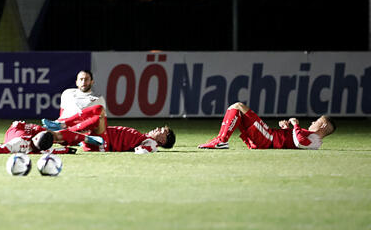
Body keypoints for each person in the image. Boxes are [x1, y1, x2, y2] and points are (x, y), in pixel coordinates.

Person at [198, 102, 335, 150]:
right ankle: (221, 140)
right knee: (237, 109)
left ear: (323, 125)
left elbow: (300, 142)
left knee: (238, 106)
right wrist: (286, 128)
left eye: (317, 121)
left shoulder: (316, 141)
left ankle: (221, 140)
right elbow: (291, 142)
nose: (312, 122)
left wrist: (295, 125)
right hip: (269, 137)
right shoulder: (313, 138)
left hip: (268, 138)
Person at [43, 104, 174, 153]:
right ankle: (56, 130)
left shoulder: (152, 143)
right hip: (100, 137)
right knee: (97, 111)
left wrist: (149, 148)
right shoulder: (144, 136)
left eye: (161, 131)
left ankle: (64, 125)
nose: (158, 128)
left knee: (99, 112)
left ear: (163, 141)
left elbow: (141, 151)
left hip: (103, 143)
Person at [0, 120, 83, 154]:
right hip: (20, 131)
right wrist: (68, 150)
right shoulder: (44, 149)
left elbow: (1, 149)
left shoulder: (19, 143)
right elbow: (56, 151)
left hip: (15, 132)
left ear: (36, 138)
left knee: (7, 145)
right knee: (42, 130)